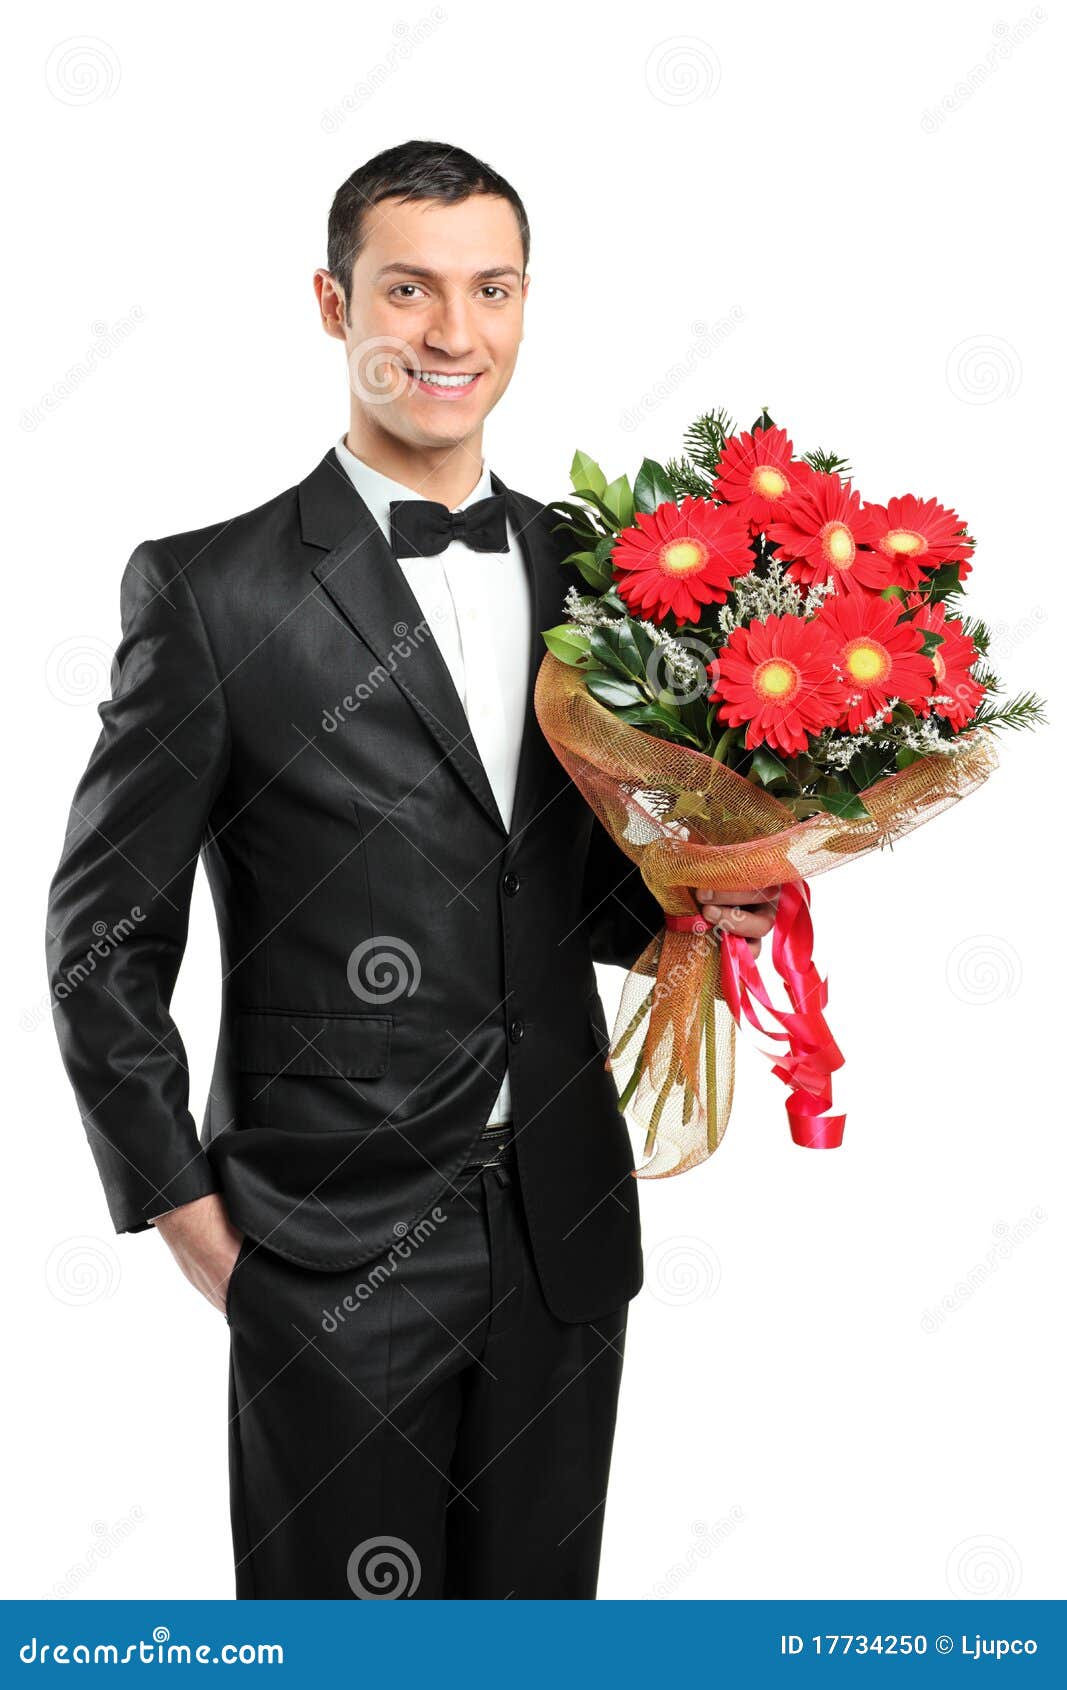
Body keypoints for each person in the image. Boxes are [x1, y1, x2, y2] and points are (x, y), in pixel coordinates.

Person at [45, 139, 778, 1599]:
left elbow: (550, 879)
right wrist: (206, 1236)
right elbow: (101, 944)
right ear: (335, 305)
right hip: (323, 1249)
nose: (454, 333)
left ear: (525, 303)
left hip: (565, 1235)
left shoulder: (605, 574)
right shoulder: (211, 590)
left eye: (490, 289)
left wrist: (709, 895)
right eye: (410, 291)